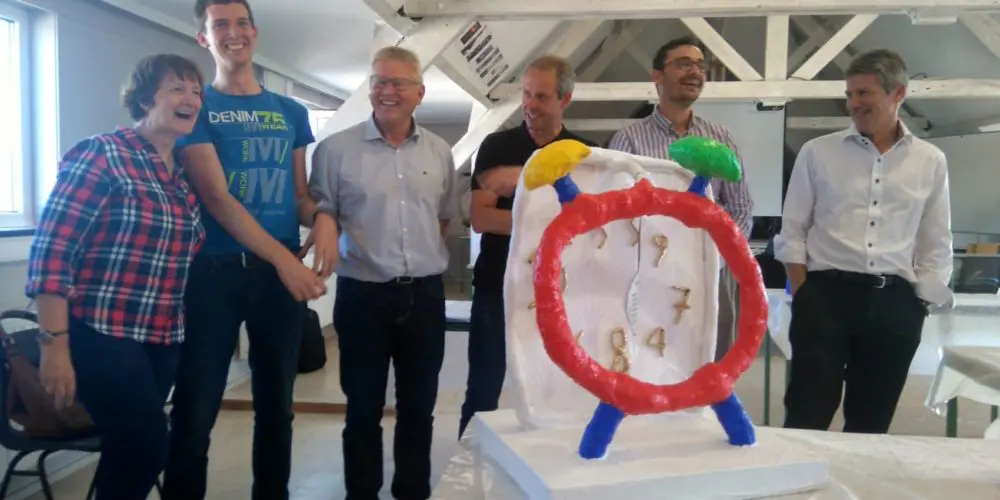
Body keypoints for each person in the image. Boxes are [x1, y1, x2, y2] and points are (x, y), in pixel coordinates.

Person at [162, 1, 333, 499]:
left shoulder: (291, 112)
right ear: (204, 38)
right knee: (196, 409)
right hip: (214, 273)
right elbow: (217, 198)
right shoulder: (197, 108)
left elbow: (299, 195)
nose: (232, 33)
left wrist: (325, 217)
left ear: (255, 32)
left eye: (241, 23)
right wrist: (285, 261)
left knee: (277, 407)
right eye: (220, 25)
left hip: (276, 278)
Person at [24, 53, 206, 499]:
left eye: (196, 91)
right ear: (145, 99)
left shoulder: (181, 176)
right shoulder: (103, 153)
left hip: (161, 336)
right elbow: (52, 250)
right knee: (146, 446)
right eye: (177, 88)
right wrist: (54, 346)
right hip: (102, 330)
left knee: (129, 450)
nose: (191, 99)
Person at [774, 48, 953, 434]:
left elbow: (935, 237)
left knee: (872, 422)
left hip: (895, 304)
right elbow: (793, 231)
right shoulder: (817, 153)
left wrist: (919, 302)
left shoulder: (930, 160)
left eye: (863, 93)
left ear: (898, 93)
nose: (852, 104)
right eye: (850, 94)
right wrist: (805, 294)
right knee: (807, 414)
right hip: (825, 297)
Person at [308, 46, 458, 500]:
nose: (387, 91)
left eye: (398, 83)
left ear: (420, 93)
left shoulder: (440, 151)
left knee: (418, 409)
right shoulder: (335, 151)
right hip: (363, 298)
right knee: (362, 410)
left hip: (424, 298)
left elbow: (443, 218)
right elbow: (321, 212)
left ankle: (411, 491)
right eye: (379, 82)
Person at [458, 54, 597, 438]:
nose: (530, 105)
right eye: (526, 94)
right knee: (482, 391)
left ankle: (553, 466)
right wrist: (554, 222)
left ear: (565, 100)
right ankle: (468, 470)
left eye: (541, 97)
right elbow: (482, 218)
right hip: (497, 288)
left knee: (559, 392)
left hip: (560, 293)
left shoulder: (584, 154)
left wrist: (523, 182)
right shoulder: (496, 146)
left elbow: (588, 228)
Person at [606, 36, 753, 361]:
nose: (695, 72)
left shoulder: (721, 138)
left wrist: (716, 257)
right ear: (657, 76)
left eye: (700, 66)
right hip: (647, 276)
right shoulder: (628, 140)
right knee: (647, 362)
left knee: (713, 363)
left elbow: (741, 208)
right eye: (684, 64)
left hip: (710, 274)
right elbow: (615, 212)